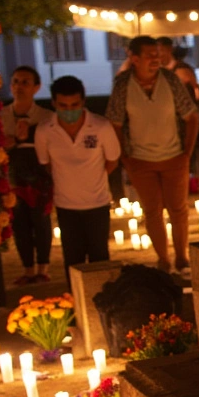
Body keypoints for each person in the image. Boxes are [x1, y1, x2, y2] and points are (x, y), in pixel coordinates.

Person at [107, 35, 199, 275]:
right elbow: (114, 122)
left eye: (157, 55)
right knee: (152, 211)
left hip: (174, 157)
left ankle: (181, 258)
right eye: (150, 56)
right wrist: (125, 157)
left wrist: (186, 153)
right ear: (134, 58)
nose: (156, 60)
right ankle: (163, 260)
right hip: (140, 160)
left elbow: (191, 116)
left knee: (178, 209)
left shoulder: (170, 80)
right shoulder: (123, 84)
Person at [34, 76, 120, 283]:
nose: (69, 110)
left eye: (74, 105)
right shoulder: (45, 130)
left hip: (97, 203)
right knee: (73, 260)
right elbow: (46, 163)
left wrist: (92, 178)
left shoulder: (101, 127)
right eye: (63, 105)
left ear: (83, 102)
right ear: (54, 103)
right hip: (66, 205)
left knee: (100, 257)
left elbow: (112, 160)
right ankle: (77, 304)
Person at [1, 66, 55, 286]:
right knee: (19, 223)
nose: (19, 87)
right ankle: (27, 269)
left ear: (36, 87)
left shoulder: (45, 116)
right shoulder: (2, 115)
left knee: (41, 221)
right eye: (15, 81)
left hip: (39, 176)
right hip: (12, 176)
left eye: (25, 82)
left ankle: (43, 268)